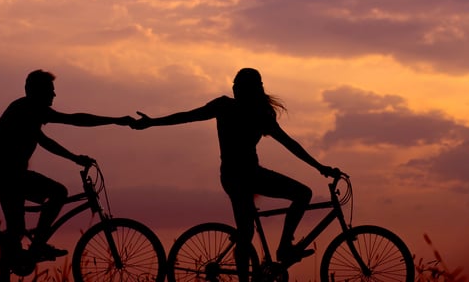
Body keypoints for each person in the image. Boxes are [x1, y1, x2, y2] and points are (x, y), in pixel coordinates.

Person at [131, 67, 340, 282]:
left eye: (238, 85)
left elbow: (290, 144)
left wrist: (319, 166)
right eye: (234, 84)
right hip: (240, 177)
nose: (233, 87)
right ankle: (283, 249)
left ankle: (279, 251)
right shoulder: (234, 108)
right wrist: (153, 122)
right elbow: (187, 116)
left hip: (243, 176)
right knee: (278, 210)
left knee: (257, 225)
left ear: (249, 89)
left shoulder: (254, 113)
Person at [0, 69, 134, 268]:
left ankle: (26, 248)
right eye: (50, 90)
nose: (54, 95)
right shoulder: (26, 110)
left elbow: (58, 131)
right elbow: (66, 125)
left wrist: (76, 156)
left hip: (12, 175)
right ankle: (37, 245)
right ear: (37, 91)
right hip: (6, 176)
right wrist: (115, 121)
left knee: (17, 230)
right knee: (58, 193)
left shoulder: (29, 110)